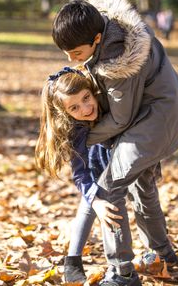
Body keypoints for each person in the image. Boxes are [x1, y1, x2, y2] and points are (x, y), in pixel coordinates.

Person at [50, 0, 178, 286]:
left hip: (154, 123)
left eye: (76, 52)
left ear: (96, 39)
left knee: (108, 191)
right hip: (169, 111)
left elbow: (120, 118)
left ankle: (122, 272)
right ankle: (163, 254)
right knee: (143, 189)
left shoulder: (117, 63)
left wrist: (83, 136)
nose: (71, 60)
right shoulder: (115, 30)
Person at [35, 67, 127, 284]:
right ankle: (73, 261)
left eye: (86, 98)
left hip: (125, 169)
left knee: (146, 201)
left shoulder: (111, 107)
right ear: (65, 113)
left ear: (92, 90)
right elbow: (80, 173)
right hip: (97, 177)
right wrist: (95, 200)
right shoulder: (76, 131)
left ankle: (162, 250)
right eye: (74, 107)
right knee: (90, 208)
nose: (85, 109)